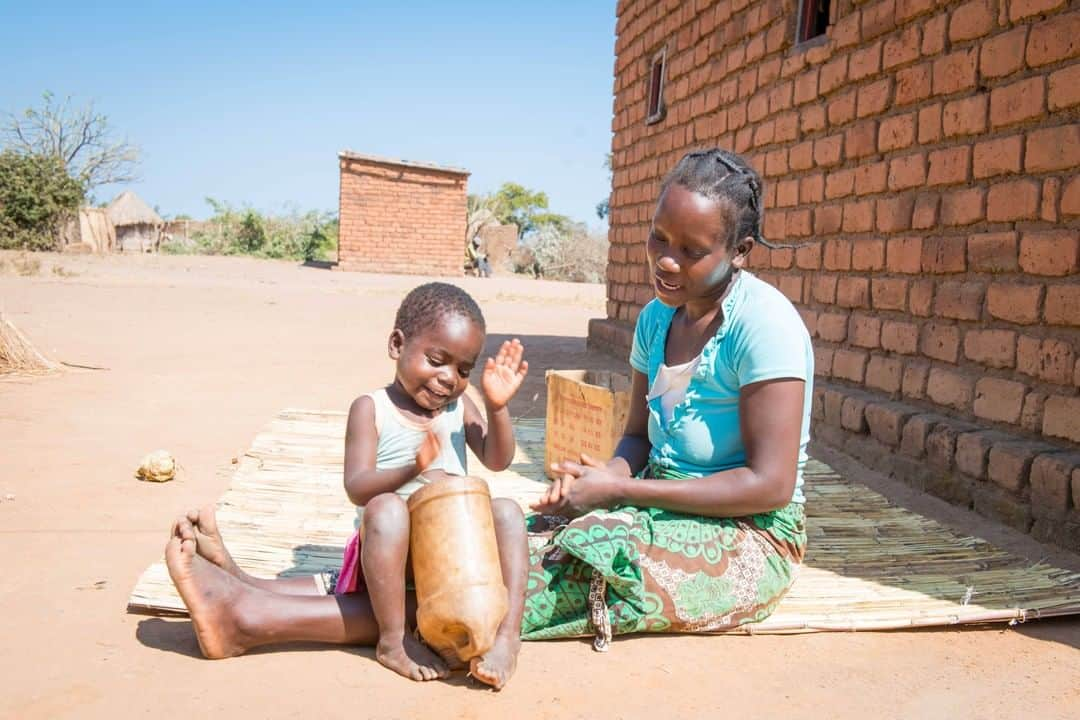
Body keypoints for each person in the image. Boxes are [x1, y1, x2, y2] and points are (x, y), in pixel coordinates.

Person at [166, 282, 530, 689]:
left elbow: (498, 459)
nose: (449, 379)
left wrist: (497, 407)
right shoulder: (373, 409)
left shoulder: (459, 406)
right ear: (397, 344)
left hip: (458, 558)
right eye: (436, 360)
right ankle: (392, 640)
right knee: (388, 509)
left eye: (464, 370)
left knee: (508, 512)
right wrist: (413, 468)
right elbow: (358, 488)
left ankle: (506, 638)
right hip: (393, 558)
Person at [520, 148, 813, 646]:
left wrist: (623, 494)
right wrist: (605, 474)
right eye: (659, 237)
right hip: (657, 501)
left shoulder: (765, 326)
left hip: (750, 533)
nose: (667, 260)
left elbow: (770, 486)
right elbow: (638, 438)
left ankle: (426, 616)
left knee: (563, 564)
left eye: (692, 251)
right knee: (510, 533)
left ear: (740, 251)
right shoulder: (657, 319)